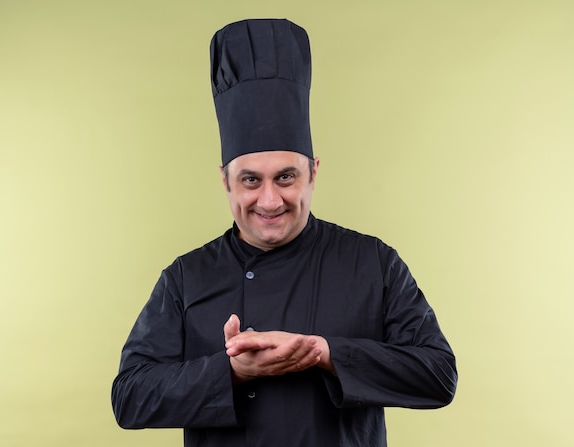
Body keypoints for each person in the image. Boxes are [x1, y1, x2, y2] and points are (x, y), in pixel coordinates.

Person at [111, 18, 457, 447]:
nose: (270, 201)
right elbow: (129, 398)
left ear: (313, 173)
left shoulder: (372, 262)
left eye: (286, 177)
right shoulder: (186, 277)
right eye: (251, 180)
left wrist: (326, 354)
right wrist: (231, 372)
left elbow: (439, 375)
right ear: (225, 181)